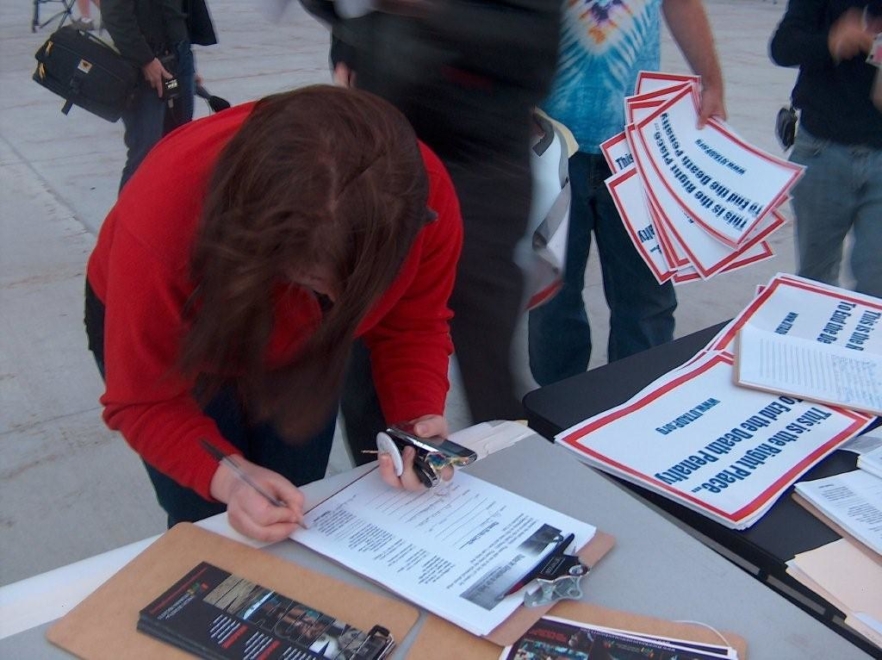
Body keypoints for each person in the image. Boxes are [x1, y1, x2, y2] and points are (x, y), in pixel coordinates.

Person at [83, 85, 464, 542]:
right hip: (183, 335)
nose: (342, 309)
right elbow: (148, 400)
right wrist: (229, 478)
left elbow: (412, 323)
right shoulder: (164, 221)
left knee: (297, 497)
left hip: (302, 360)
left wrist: (415, 419)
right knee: (213, 520)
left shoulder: (422, 193)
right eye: (317, 285)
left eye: (361, 294)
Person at [299, 0, 562, 461]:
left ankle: (511, 478)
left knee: (484, 348)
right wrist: (351, 47)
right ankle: (384, 477)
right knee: (364, 339)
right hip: (382, 144)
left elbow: (532, 54)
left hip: (481, 162)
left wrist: (426, 10)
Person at [526, 0, 727, 386]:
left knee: (647, 299)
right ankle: (557, 406)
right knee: (552, 299)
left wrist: (712, 81)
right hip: (552, 146)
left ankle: (638, 405)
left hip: (637, 146)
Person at [770, 0, 882, 298]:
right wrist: (831, 42)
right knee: (815, 283)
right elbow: (782, 47)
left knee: (876, 284)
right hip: (822, 148)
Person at [101, 0, 216, 191]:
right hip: (146, 62)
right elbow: (115, 14)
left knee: (177, 144)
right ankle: (127, 219)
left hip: (179, 53)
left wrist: (185, 69)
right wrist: (145, 60)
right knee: (145, 152)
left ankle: (165, 216)